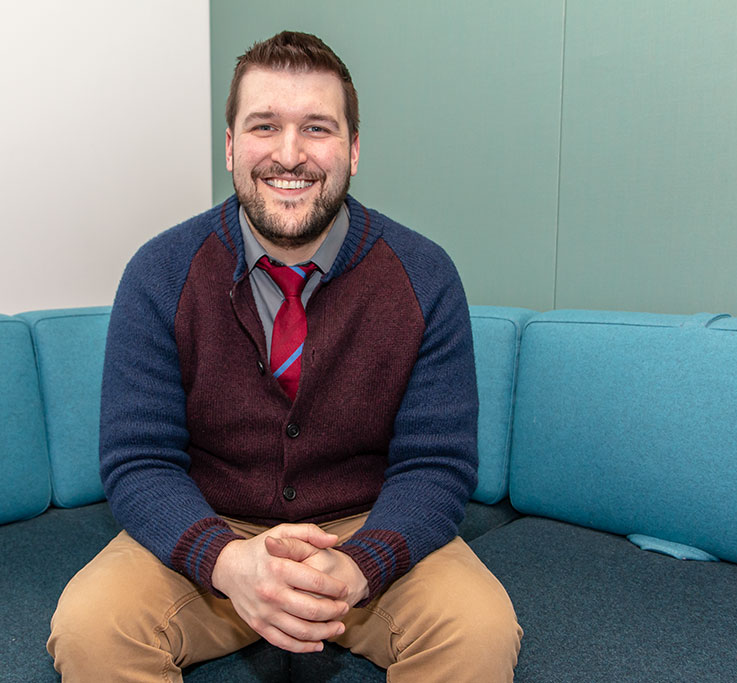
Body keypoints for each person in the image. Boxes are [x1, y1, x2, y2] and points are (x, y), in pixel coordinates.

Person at [47, 30, 522, 682]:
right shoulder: (159, 272)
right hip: (209, 521)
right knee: (91, 628)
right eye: (264, 125)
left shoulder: (425, 274)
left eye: (317, 128)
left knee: (480, 631)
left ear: (353, 151)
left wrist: (361, 565)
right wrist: (228, 560)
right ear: (231, 146)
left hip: (366, 525)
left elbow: (437, 465)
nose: (290, 154)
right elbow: (139, 459)